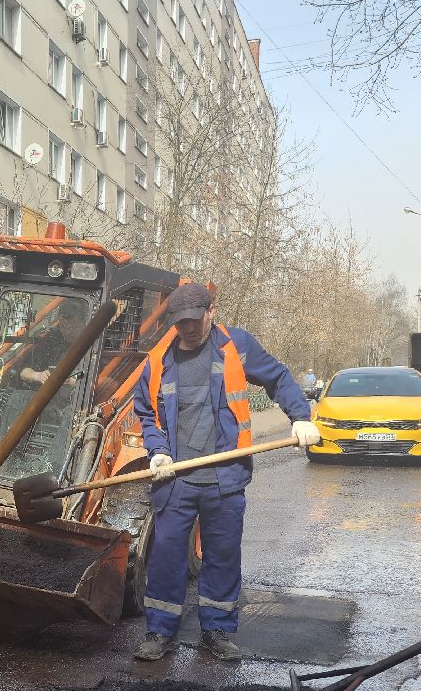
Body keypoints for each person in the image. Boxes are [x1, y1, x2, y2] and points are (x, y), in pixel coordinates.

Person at [131, 283, 318, 662]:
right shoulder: (158, 360)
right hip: (176, 480)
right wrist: (158, 451)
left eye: (195, 321)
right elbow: (147, 413)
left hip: (225, 478)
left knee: (222, 556)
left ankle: (215, 630)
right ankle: (160, 631)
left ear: (211, 312)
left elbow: (278, 378)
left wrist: (300, 417)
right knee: (166, 558)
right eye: (181, 323)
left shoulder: (237, 346)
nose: (188, 329)